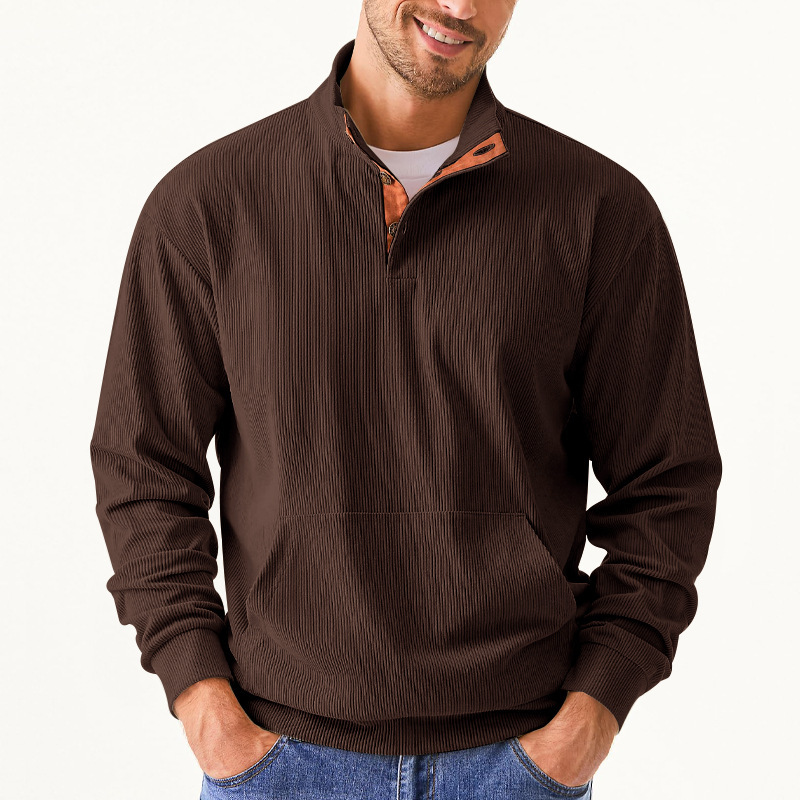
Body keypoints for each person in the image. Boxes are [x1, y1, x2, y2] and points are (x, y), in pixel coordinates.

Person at [89, 1, 723, 797]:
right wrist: (200, 696)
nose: (461, 6)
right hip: (279, 760)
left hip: (518, 761)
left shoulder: (597, 210)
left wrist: (597, 704)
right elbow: (142, 468)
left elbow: (669, 481)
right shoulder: (210, 203)